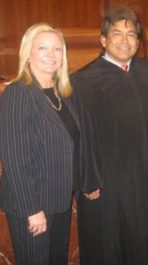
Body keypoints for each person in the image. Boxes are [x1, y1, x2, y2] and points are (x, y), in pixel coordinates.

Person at [71, 6, 148, 265]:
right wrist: (89, 180)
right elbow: (80, 136)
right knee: (109, 244)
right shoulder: (84, 81)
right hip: (107, 183)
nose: (125, 40)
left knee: (144, 239)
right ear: (103, 40)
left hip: (146, 177)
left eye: (131, 34)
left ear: (138, 41)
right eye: (117, 34)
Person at [0, 23, 81, 265]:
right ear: (29, 53)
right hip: (33, 206)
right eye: (43, 48)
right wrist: (31, 210)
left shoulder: (63, 94)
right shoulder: (18, 93)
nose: (51, 55)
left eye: (57, 49)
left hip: (60, 202)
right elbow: (15, 158)